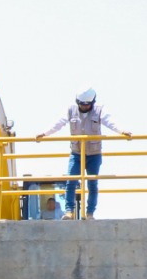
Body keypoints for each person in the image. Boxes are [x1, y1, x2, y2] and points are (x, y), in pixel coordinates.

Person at [39, 88, 131, 219]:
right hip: (76, 152)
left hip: (94, 153)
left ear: (92, 103)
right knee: (71, 180)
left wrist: (122, 131)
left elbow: (110, 122)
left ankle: (90, 213)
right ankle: (69, 211)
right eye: (82, 104)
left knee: (92, 183)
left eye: (87, 104)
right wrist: (45, 133)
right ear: (78, 102)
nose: (84, 106)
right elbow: (59, 123)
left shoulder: (99, 111)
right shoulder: (71, 110)